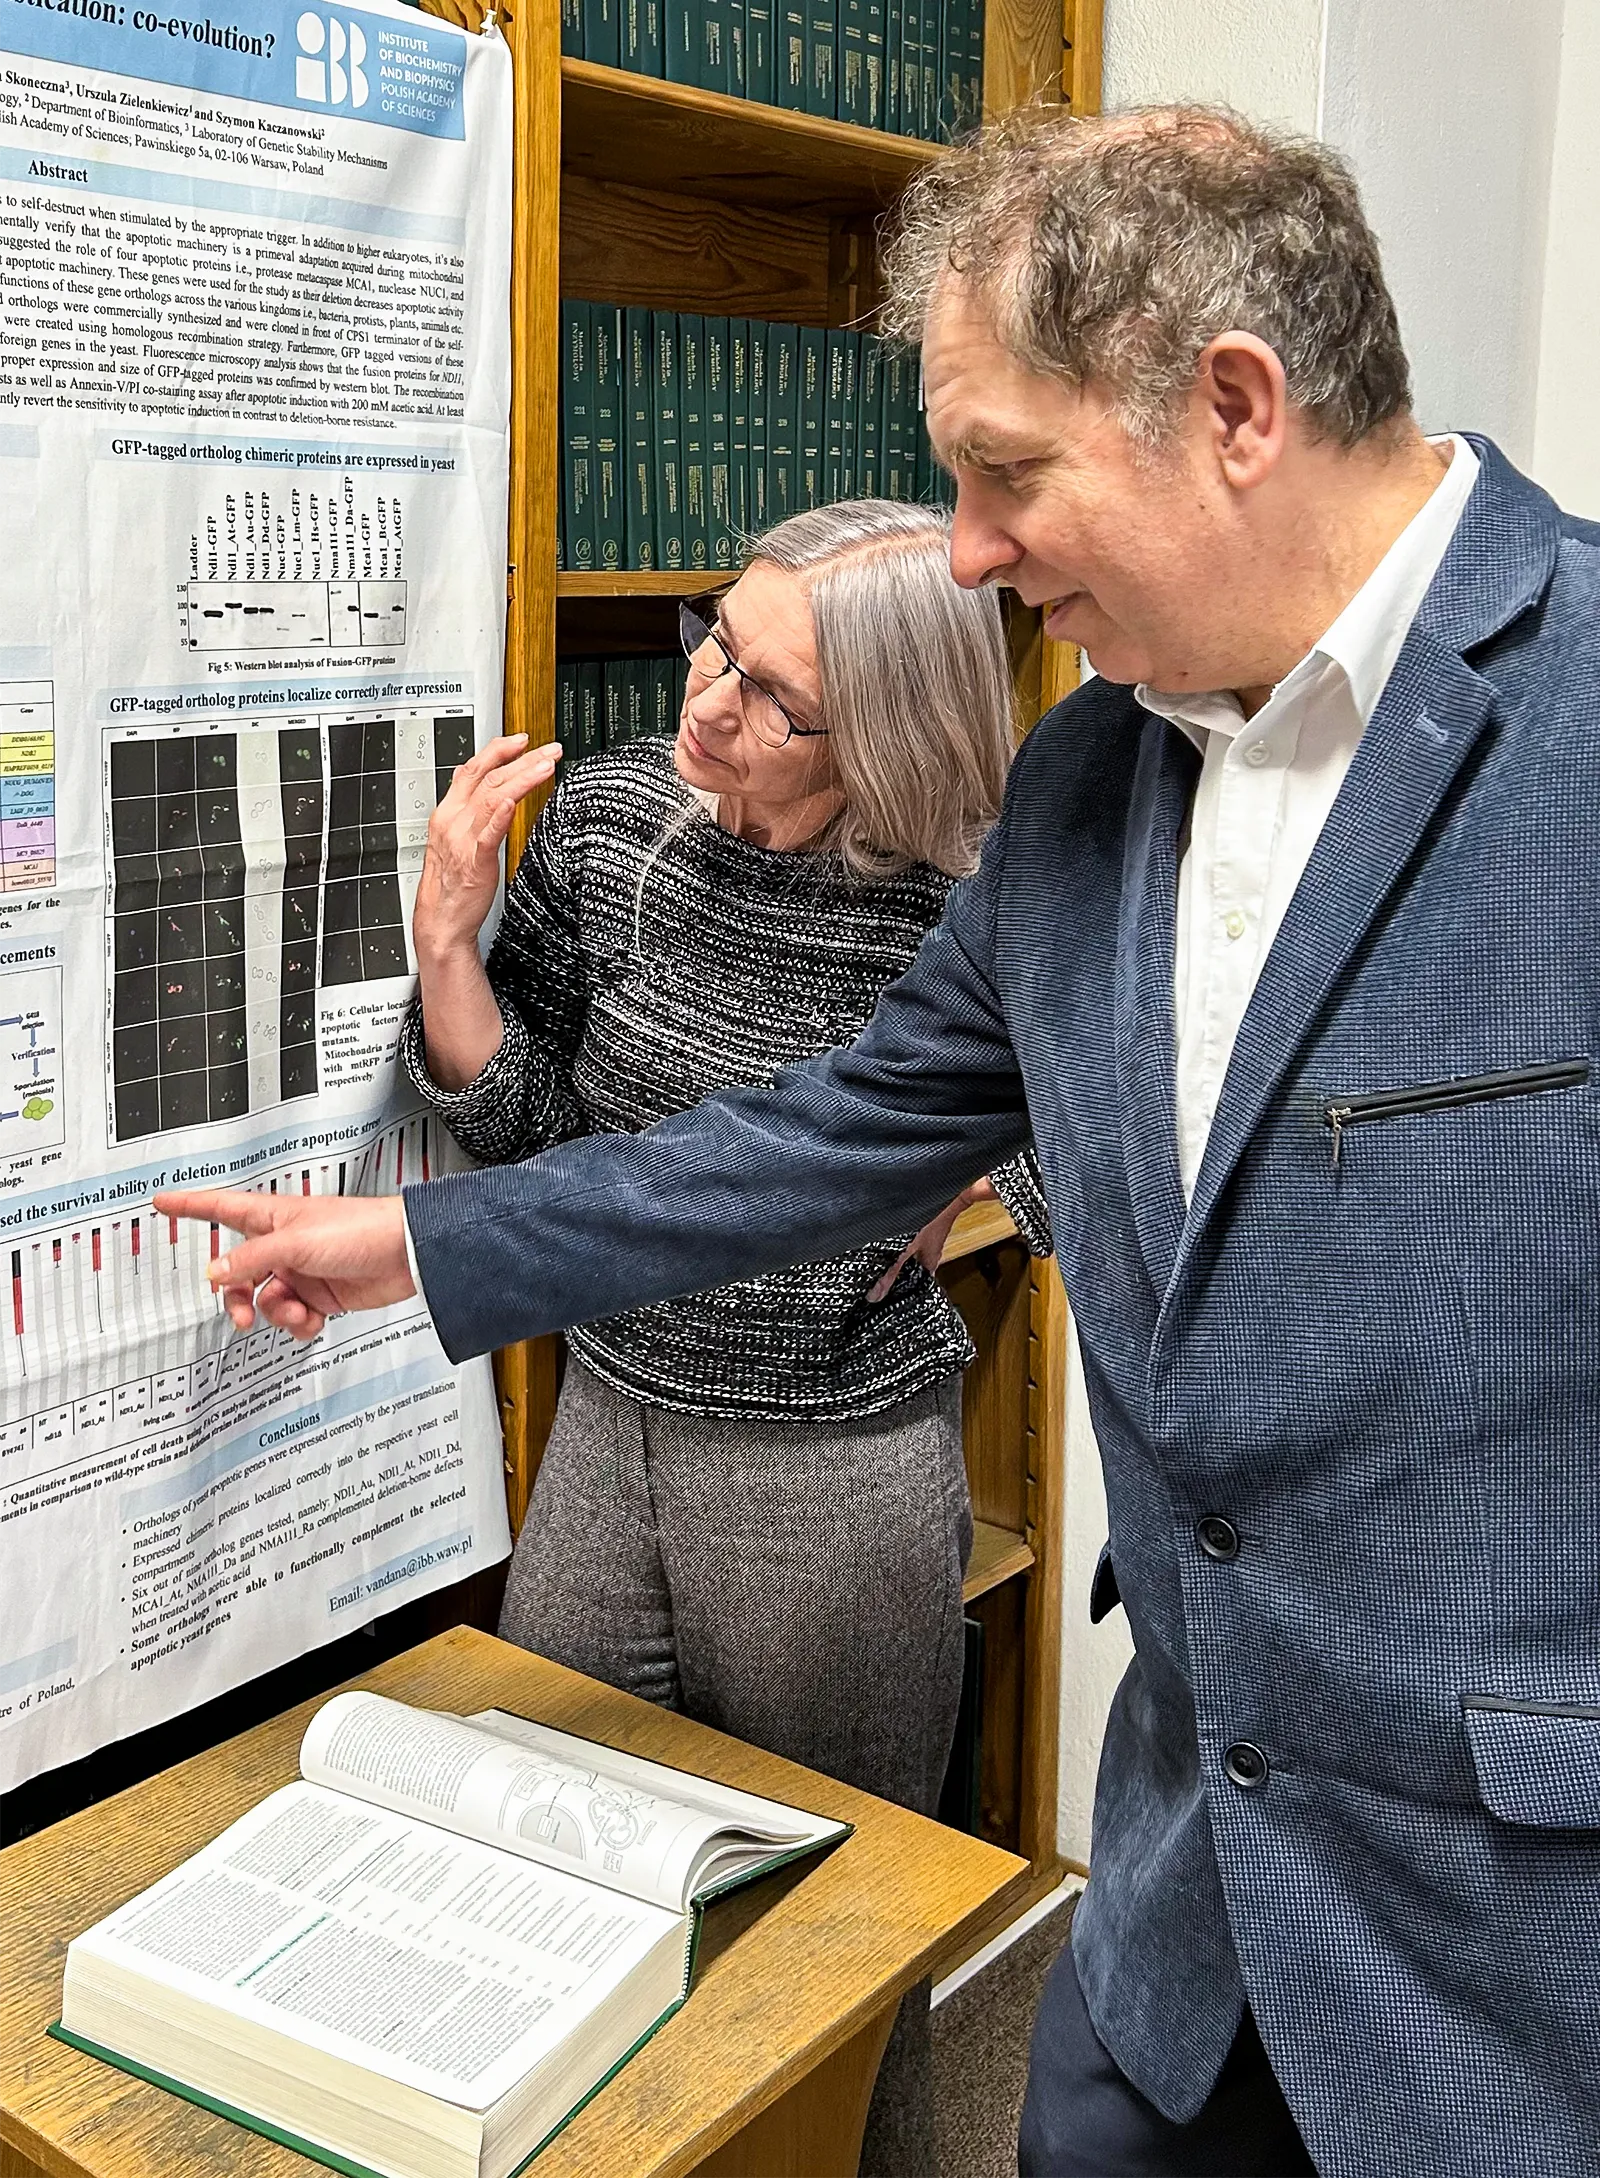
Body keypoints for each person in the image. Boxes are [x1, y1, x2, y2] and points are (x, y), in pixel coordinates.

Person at [158, 105, 1600, 2178]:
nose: (965, 554)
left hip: (1516, 1972)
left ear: (1232, 406)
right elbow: (816, 1140)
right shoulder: (1094, 778)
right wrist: (411, 1248)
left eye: (1002, 472)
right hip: (1178, 1925)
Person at [396, 497, 1047, 2177]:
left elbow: (1093, 1179)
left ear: (887, 735)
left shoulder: (965, 912)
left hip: (828, 1487)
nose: (705, 700)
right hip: (606, 1437)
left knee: (835, 1941)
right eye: (717, 640)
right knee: (558, 1895)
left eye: (772, 696)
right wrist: (449, 952)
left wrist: (974, 1155)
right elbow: (542, 1145)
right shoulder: (614, 824)